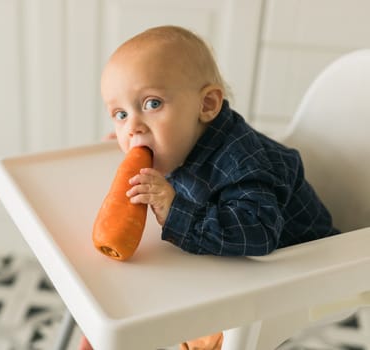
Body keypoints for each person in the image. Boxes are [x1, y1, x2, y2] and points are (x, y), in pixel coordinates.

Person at [80, 25, 339, 350]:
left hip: (297, 269)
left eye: (151, 104)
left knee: (208, 337)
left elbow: (258, 233)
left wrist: (175, 210)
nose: (132, 127)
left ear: (207, 104)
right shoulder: (180, 141)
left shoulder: (244, 165)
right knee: (116, 296)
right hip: (223, 255)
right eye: (120, 114)